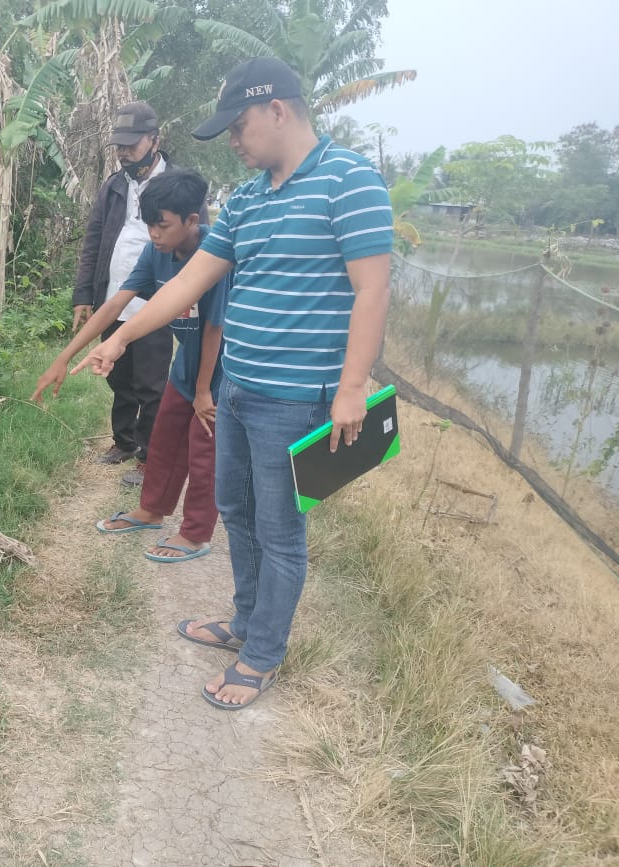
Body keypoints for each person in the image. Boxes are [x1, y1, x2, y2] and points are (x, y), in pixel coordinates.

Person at [73, 58, 393, 710]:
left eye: (240, 127)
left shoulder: (349, 181)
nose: (236, 143)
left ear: (278, 109)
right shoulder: (247, 200)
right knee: (239, 514)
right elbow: (187, 284)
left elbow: (373, 288)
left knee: (279, 533)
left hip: (296, 399)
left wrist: (353, 387)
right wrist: (119, 337)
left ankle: (263, 655)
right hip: (239, 391)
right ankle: (245, 622)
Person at [33, 170, 229, 562]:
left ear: (193, 220)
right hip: (186, 368)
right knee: (164, 441)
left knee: (204, 453)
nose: (155, 234)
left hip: (222, 375)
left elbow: (214, 327)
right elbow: (115, 304)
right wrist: (63, 356)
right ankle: (151, 510)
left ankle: (195, 534)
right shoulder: (155, 253)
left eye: (163, 225)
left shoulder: (215, 255)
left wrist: (205, 389)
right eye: (150, 225)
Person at [72, 101, 207, 484]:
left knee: (151, 383)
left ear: (155, 139)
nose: (125, 152)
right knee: (118, 376)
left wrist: (188, 299)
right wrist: (84, 294)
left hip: (158, 302)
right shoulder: (114, 186)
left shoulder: (181, 186)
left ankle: (151, 456)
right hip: (114, 296)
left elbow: (202, 249)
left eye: (132, 144)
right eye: (120, 145)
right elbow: (94, 240)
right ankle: (124, 440)